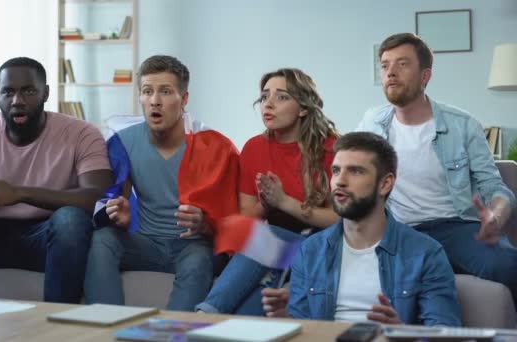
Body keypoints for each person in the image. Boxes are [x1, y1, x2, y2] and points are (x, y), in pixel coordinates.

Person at [356, 32, 517, 301]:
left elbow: (494, 187)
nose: (391, 72)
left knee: (506, 264)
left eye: (402, 64)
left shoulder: (462, 125)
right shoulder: (372, 122)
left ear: (425, 76)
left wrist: (495, 217)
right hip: (401, 229)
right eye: (385, 65)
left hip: (457, 226)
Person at [84, 55, 240, 311]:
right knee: (103, 240)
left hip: (194, 245)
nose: (155, 100)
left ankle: (173, 334)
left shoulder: (216, 147)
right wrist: (118, 215)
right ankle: (103, 328)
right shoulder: (123, 142)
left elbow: (233, 224)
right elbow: (111, 200)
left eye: (166, 92)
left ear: (184, 99)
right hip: (147, 242)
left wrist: (206, 225)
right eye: (148, 91)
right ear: (140, 97)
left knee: (198, 260)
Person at [0, 57, 113, 303]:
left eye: (28, 91)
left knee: (71, 220)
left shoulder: (82, 133)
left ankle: (58, 320)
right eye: (8, 92)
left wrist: (20, 193)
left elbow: (97, 199)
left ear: (45, 93)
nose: (17, 101)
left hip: (48, 239)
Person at [262, 132, 461, 326]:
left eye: (355, 171)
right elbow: (307, 329)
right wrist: (288, 321)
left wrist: (400, 334)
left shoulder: (426, 253)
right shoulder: (310, 250)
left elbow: (445, 333)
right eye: (336, 170)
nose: (340, 180)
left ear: (385, 184)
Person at [194, 68, 340, 316]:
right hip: (275, 251)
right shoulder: (254, 148)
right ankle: (208, 318)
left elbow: (341, 220)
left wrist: (284, 202)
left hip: (321, 246)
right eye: (264, 97)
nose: (268, 104)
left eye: (282, 97)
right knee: (247, 313)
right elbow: (246, 218)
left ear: (304, 108)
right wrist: (266, 205)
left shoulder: (332, 148)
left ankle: (204, 314)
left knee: (268, 234)